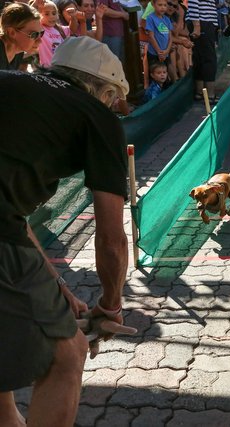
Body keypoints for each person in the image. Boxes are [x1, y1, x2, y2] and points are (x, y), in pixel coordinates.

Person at [0, 36, 136, 427]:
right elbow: (112, 236)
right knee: (67, 354)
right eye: (114, 100)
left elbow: (13, 220)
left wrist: (58, 285)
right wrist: (110, 304)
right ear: (105, 91)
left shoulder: (14, 84)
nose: (114, 109)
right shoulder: (95, 115)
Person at [186, 0, 218, 102]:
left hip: (205, 22)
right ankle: (210, 95)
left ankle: (200, 93)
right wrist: (197, 26)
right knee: (209, 59)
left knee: (200, 58)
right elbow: (193, 1)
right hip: (203, 22)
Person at [0, 2, 42, 70]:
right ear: (11, 32)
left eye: (41, 33)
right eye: (34, 34)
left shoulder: (18, 51)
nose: (40, 41)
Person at [38, 1, 73, 67]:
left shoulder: (60, 29)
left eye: (54, 13)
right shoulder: (40, 29)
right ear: (39, 15)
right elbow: (32, 18)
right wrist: (37, 6)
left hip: (62, 68)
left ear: (58, 14)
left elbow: (72, 29)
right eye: (46, 14)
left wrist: (73, 17)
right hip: (48, 69)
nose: (51, 16)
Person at [145, 0, 172, 67]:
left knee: (164, 73)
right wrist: (159, 52)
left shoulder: (167, 19)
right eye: (160, 5)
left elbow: (170, 38)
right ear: (153, 5)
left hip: (165, 53)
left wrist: (167, 51)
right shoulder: (150, 18)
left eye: (165, 5)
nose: (163, 7)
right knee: (156, 73)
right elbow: (151, 37)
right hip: (154, 53)